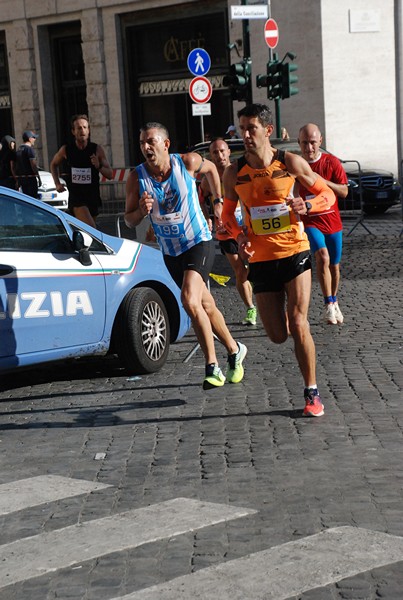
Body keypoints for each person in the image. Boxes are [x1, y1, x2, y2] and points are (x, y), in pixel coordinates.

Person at [222, 103, 336, 417]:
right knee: (276, 335)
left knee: (299, 323)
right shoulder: (234, 172)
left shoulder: (290, 162)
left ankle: (312, 392)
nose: (245, 134)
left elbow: (327, 194)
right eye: (242, 127)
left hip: (294, 252)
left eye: (251, 128)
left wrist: (307, 206)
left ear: (268, 130)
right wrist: (239, 236)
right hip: (261, 259)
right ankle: (288, 319)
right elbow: (226, 218)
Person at [124, 121, 247, 390]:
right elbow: (129, 219)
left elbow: (213, 169)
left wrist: (217, 201)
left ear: (165, 144)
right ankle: (234, 349)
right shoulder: (136, 177)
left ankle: (212, 366)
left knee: (189, 300)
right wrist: (141, 212)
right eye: (142, 142)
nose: (146, 147)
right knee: (206, 305)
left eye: (151, 141)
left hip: (197, 242)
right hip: (171, 251)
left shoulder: (187, 162)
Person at [198, 138, 257, 325]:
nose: (219, 155)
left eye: (222, 151)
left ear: (229, 152)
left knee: (252, 267)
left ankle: (255, 287)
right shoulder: (208, 179)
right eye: (215, 153)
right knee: (240, 270)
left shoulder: (238, 172)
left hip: (246, 228)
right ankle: (250, 308)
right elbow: (200, 200)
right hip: (225, 231)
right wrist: (207, 217)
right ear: (210, 155)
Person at [297, 123, 348, 325]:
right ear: (299, 143)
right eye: (304, 143)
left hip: (332, 221)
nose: (309, 148)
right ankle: (328, 304)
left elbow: (344, 192)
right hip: (311, 221)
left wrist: (322, 181)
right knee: (322, 256)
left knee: (334, 266)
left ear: (320, 141)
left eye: (312, 143)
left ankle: (334, 300)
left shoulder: (332, 162)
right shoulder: (297, 165)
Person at [50, 114, 113, 228]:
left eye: (85, 127)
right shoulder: (66, 150)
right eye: (79, 128)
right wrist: (57, 183)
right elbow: (53, 164)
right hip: (77, 198)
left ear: (88, 130)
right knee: (92, 231)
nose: (82, 130)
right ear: (73, 131)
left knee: (86, 232)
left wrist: (98, 166)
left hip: (93, 196)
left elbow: (110, 174)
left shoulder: (96, 149)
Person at [15, 130, 41, 198]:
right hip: (30, 181)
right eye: (34, 138)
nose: (35, 139)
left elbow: (15, 166)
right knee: (33, 200)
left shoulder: (19, 149)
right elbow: (33, 165)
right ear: (30, 139)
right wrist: (38, 176)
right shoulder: (29, 149)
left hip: (22, 180)